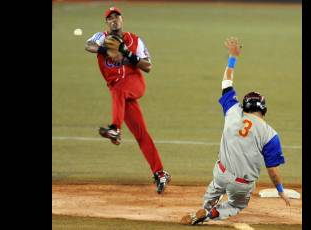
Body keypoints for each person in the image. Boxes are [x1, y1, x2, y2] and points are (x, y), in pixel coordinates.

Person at [180, 37, 291, 225]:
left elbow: (226, 82)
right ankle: (213, 213)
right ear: (263, 109)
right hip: (242, 184)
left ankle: (206, 208)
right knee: (236, 205)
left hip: (221, 174)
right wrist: (280, 190)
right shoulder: (270, 134)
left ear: (244, 106)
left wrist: (233, 57)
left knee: (214, 189)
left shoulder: (233, 111)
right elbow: (272, 170)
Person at [84, 6, 171, 194]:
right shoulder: (101, 37)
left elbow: (148, 66)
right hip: (120, 95)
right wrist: (104, 49)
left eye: (117, 16)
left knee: (118, 90)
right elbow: (88, 45)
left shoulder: (135, 40)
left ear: (122, 20)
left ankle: (115, 129)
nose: (114, 20)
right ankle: (160, 173)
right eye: (110, 18)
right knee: (141, 134)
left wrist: (128, 53)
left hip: (134, 84)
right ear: (106, 23)